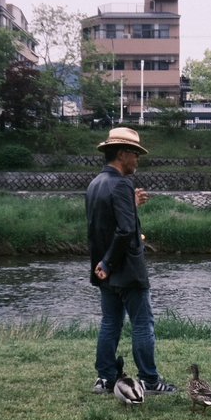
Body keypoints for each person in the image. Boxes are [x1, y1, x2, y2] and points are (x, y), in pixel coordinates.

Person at [85, 126, 177, 395]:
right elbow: (125, 231)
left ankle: (105, 378)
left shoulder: (95, 184)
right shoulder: (123, 183)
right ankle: (150, 381)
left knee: (110, 323)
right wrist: (110, 263)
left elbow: (104, 225)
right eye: (135, 154)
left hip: (104, 272)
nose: (138, 160)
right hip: (125, 270)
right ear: (123, 154)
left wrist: (103, 265)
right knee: (142, 324)